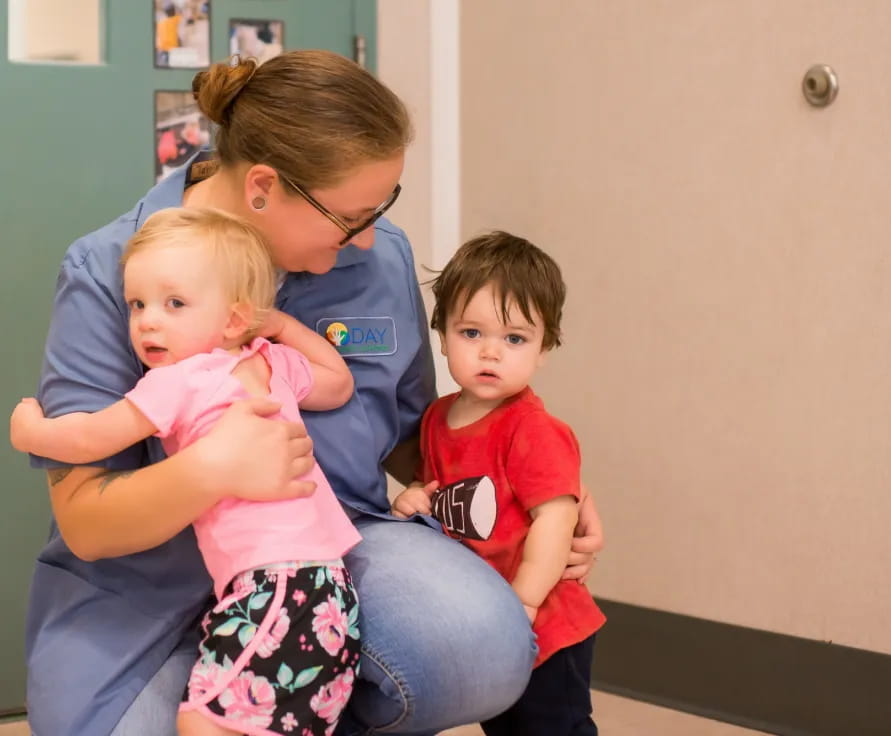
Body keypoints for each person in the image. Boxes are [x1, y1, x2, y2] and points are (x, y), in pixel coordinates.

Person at [22, 50, 603, 736]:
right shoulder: (115, 270)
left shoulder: (378, 255)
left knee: (479, 646)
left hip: (329, 558)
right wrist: (211, 468)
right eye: (352, 216)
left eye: (381, 207)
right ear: (263, 187)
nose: (367, 241)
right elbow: (87, 520)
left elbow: (420, 440)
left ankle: (295, 699)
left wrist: (538, 489)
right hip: (144, 591)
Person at [12, 207, 362, 736]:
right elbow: (339, 381)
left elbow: (89, 438)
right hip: (329, 585)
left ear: (233, 319)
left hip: (272, 587)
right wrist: (286, 329)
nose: (149, 320)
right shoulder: (270, 362)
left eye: (174, 303)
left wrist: (30, 431)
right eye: (137, 304)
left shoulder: (180, 380)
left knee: (202, 721)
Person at [391, 231, 606, 735]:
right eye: (471, 334)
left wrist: (525, 601)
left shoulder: (532, 429)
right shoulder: (438, 418)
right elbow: (438, 491)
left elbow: (555, 519)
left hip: (546, 626)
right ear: (441, 336)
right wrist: (414, 498)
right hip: (490, 622)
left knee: (552, 727)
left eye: (515, 339)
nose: (491, 353)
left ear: (544, 348)